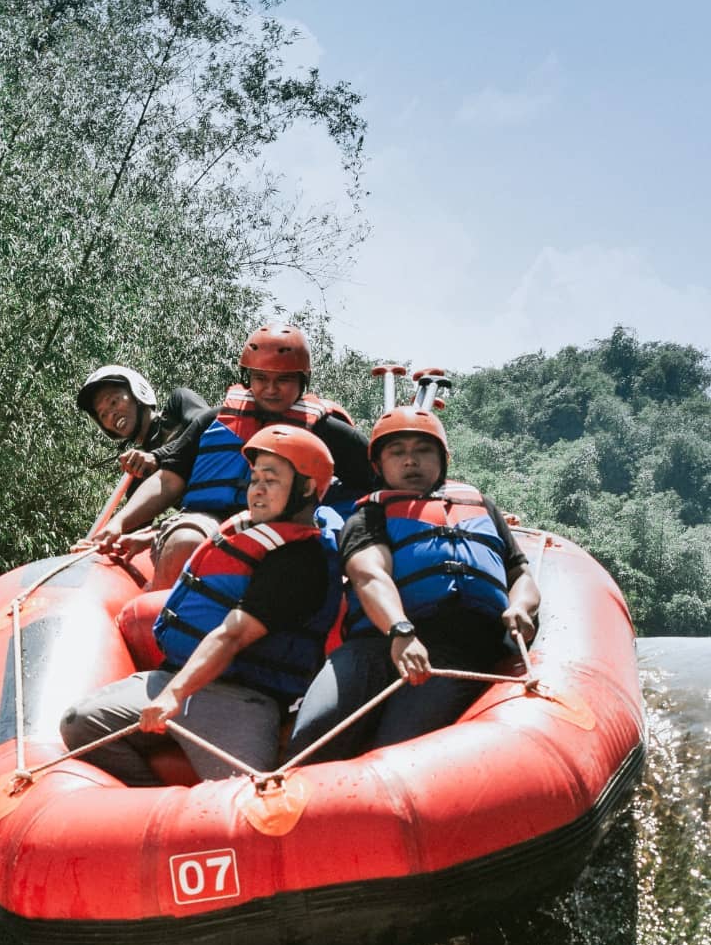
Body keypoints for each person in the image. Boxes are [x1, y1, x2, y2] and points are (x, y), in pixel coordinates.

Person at [60, 425, 343, 785]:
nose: (256, 489)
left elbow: (233, 635)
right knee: (80, 723)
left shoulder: (302, 563)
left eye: (270, 480)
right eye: (254, 479)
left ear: (306, 488)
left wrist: (173, 696)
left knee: (247, 801)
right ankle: (151, 805)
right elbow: (216, 544)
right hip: (174, 675)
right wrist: (145, 537)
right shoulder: (251, 526)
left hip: (239, 701)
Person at [286, 405, 541, 763]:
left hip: (451, 652)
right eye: (397, 452)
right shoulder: (367, 515)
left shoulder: (482, 507)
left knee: (397, 752)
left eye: (422, 450)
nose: (411, 462)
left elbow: (521, 576)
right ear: (378, 465)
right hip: (373, 647)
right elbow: (369, 574)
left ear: (442, 459)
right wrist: (400, 630)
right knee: (313, 739)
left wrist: (520, 607)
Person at [92, 324, 372, 587]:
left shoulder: (326, 430)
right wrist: (119, 522)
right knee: (184, 540)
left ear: (303, 381)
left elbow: (375, 477)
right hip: (209, 519)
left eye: (283, 380)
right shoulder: (214, 420)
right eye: (261, 378)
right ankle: (162, 625)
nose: (271, 389)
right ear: (247, 378)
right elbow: (169, 478)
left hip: (290, 527)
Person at [76, 366, 210, 480]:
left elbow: (211, 427)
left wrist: (157, 457)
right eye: (103, 415)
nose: (111, 415)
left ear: (137, 392)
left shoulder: (177, 403)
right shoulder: (141, 470)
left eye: (113, 402)